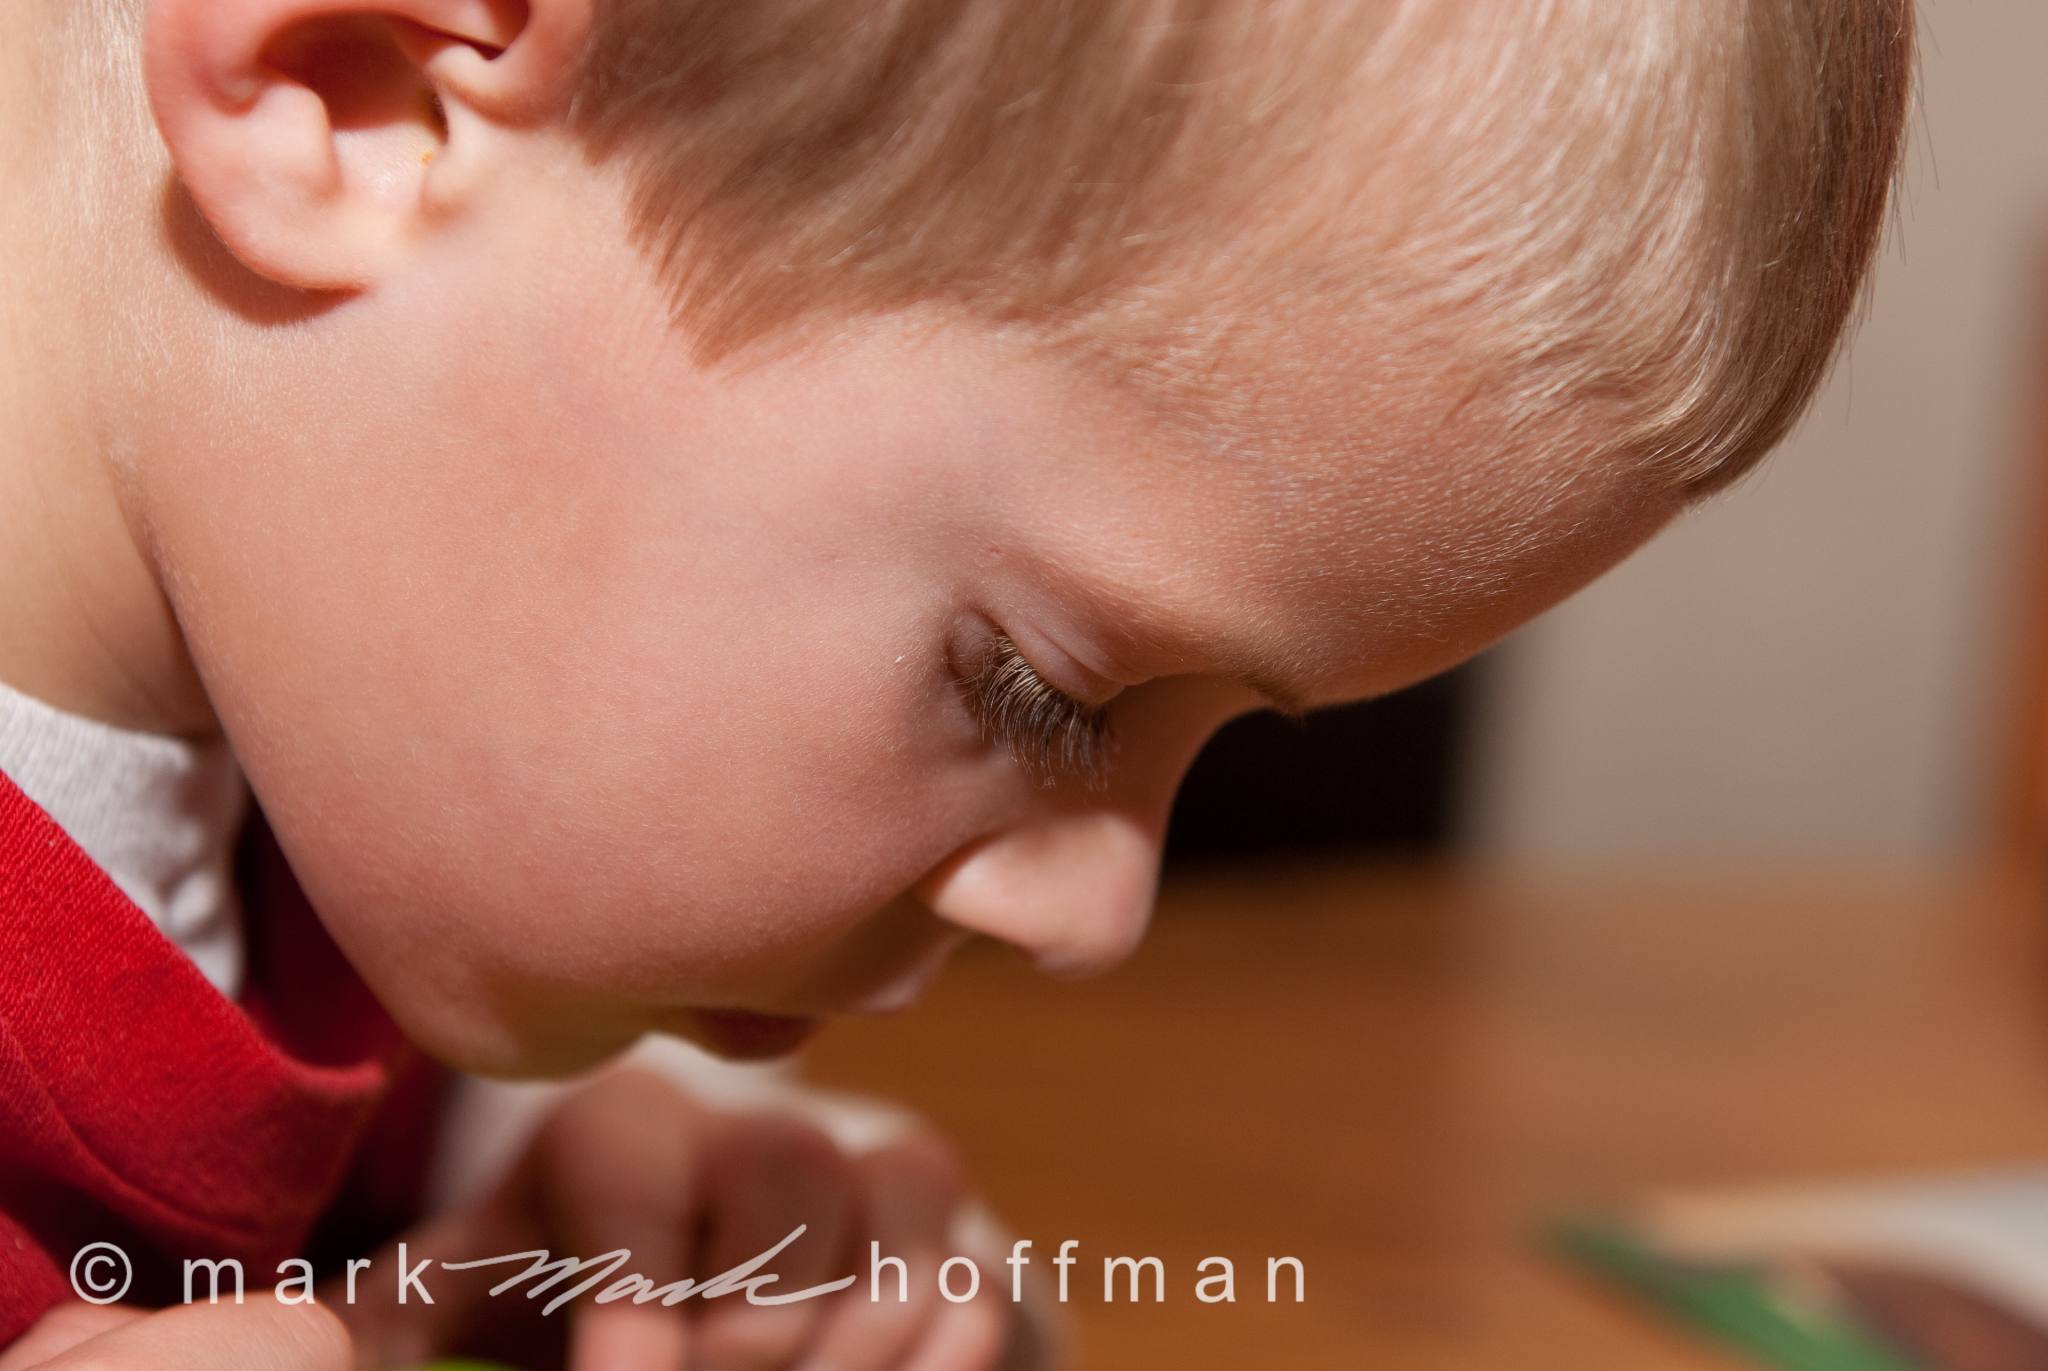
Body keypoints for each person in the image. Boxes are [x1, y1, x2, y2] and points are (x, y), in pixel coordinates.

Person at [0, 0, 1915, 1366]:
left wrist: (500, 1250)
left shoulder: (331, 705)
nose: (1100, 915)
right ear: (359, 101)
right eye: (1038, 689)